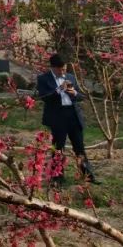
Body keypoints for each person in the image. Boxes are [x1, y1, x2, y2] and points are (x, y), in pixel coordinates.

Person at [35, 53, 100, 185]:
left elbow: (79, 96)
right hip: (57, 116)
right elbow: (44, 97)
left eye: (65, 69)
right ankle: (57, 178)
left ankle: (88, 175)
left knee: (79, 147)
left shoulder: (70, 77)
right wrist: (59, 90)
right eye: (61, 69)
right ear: (53, 68)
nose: (64, 72)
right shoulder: (43, 79)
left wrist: (75, 93)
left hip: (73, 115)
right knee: (58, 148)